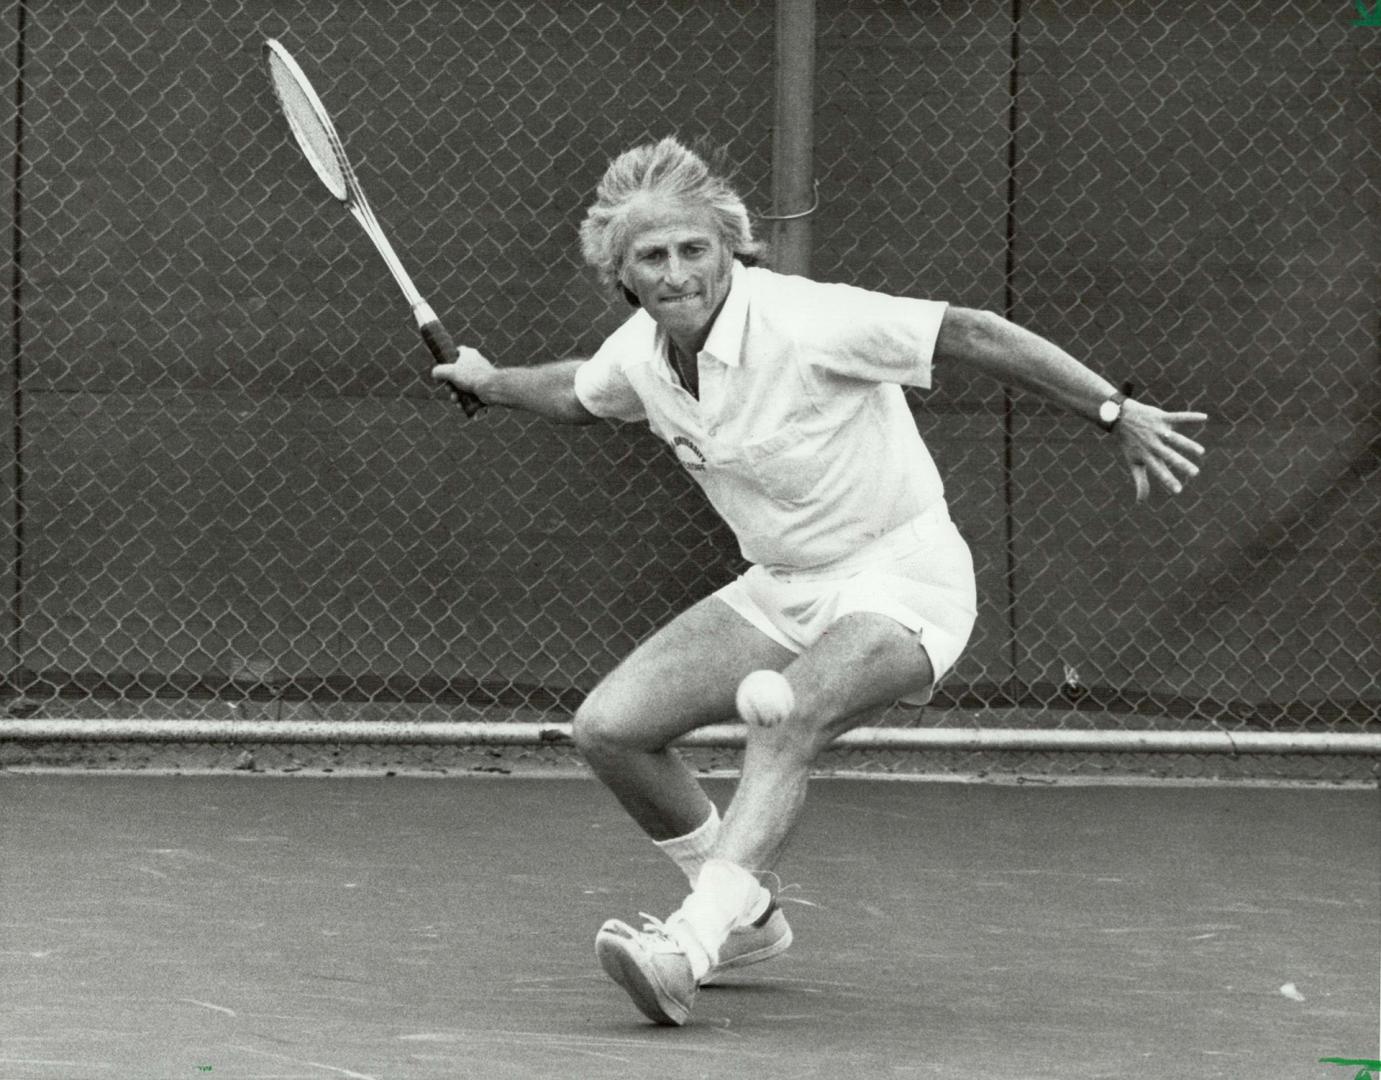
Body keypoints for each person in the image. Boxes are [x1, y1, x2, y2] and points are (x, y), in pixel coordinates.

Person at [431, 135, 1207, 1026]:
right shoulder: (642, 357)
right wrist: (492, 383)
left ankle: (688, 947)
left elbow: (967, 331)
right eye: (653, 256)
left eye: (696, 249)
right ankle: (747, 916)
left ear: (730, 249)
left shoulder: (806, 320)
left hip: (902, 577)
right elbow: (581, 390)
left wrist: (1109, 409)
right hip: (783, 583)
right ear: (622, 275)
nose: (679, 272)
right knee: (610, 728)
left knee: (792, 712)